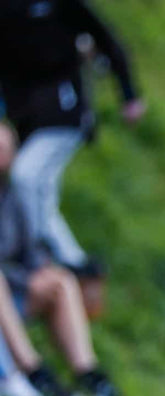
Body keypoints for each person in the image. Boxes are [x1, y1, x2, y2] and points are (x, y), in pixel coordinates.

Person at [0, 0, 146, 270]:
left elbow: (105, 37)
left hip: (65, 111)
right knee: (40, 193)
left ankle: (35, 258)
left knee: (26, 177)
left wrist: (129, 95)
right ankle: (74, 263)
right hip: (25, 118)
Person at [0, 122, 116, 396]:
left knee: (61, 280)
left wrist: (37, 272)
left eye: (4, 149)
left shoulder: (13, 197)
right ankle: (32, 369)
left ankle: (87, 372)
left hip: (14, 290)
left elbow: (32, 248)